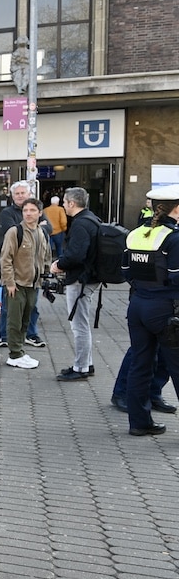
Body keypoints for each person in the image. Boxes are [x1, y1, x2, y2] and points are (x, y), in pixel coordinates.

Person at [120, 184, 179, 436]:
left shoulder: (135, 234)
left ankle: (139, 423)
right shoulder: (174, 238)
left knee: (140, 365)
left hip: (138, 306)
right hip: (167, 310)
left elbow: (125, 272)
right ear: (176, 209)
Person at [52, 187, 100, 381]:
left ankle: (81, 368)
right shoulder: (92, 219)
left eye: (65, 202)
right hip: (90, 277)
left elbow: (76, 255)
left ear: (72, 203)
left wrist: (59, 265)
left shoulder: (80, 224)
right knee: (82, 324)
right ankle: (86, 363)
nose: (63, 205)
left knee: (78, 326)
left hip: (80, 279)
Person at [0, 198, 51, 369]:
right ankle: (14, 354)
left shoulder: (41, 233)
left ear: (40, 213)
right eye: (25, 210)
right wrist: (9, 283)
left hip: (33, 285)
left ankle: (20, 350)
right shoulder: (15, 232)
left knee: (25, 320)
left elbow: (45, 257)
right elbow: (5, 258)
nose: (28, 213)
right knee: (14, 320)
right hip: (17, 284)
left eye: (32, 210)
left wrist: (44, 277)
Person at [0, 180, 46, 349]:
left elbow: (48, 229)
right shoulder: (7, 214)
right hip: (15, 275)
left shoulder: (37, 221)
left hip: (33, 277)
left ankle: (28, 336)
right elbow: (10, 235)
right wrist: (9, 281)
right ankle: (7, 340)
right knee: (10, 310)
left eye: (22, 193)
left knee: (31, 309)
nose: (28, 213)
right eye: (16, 193)